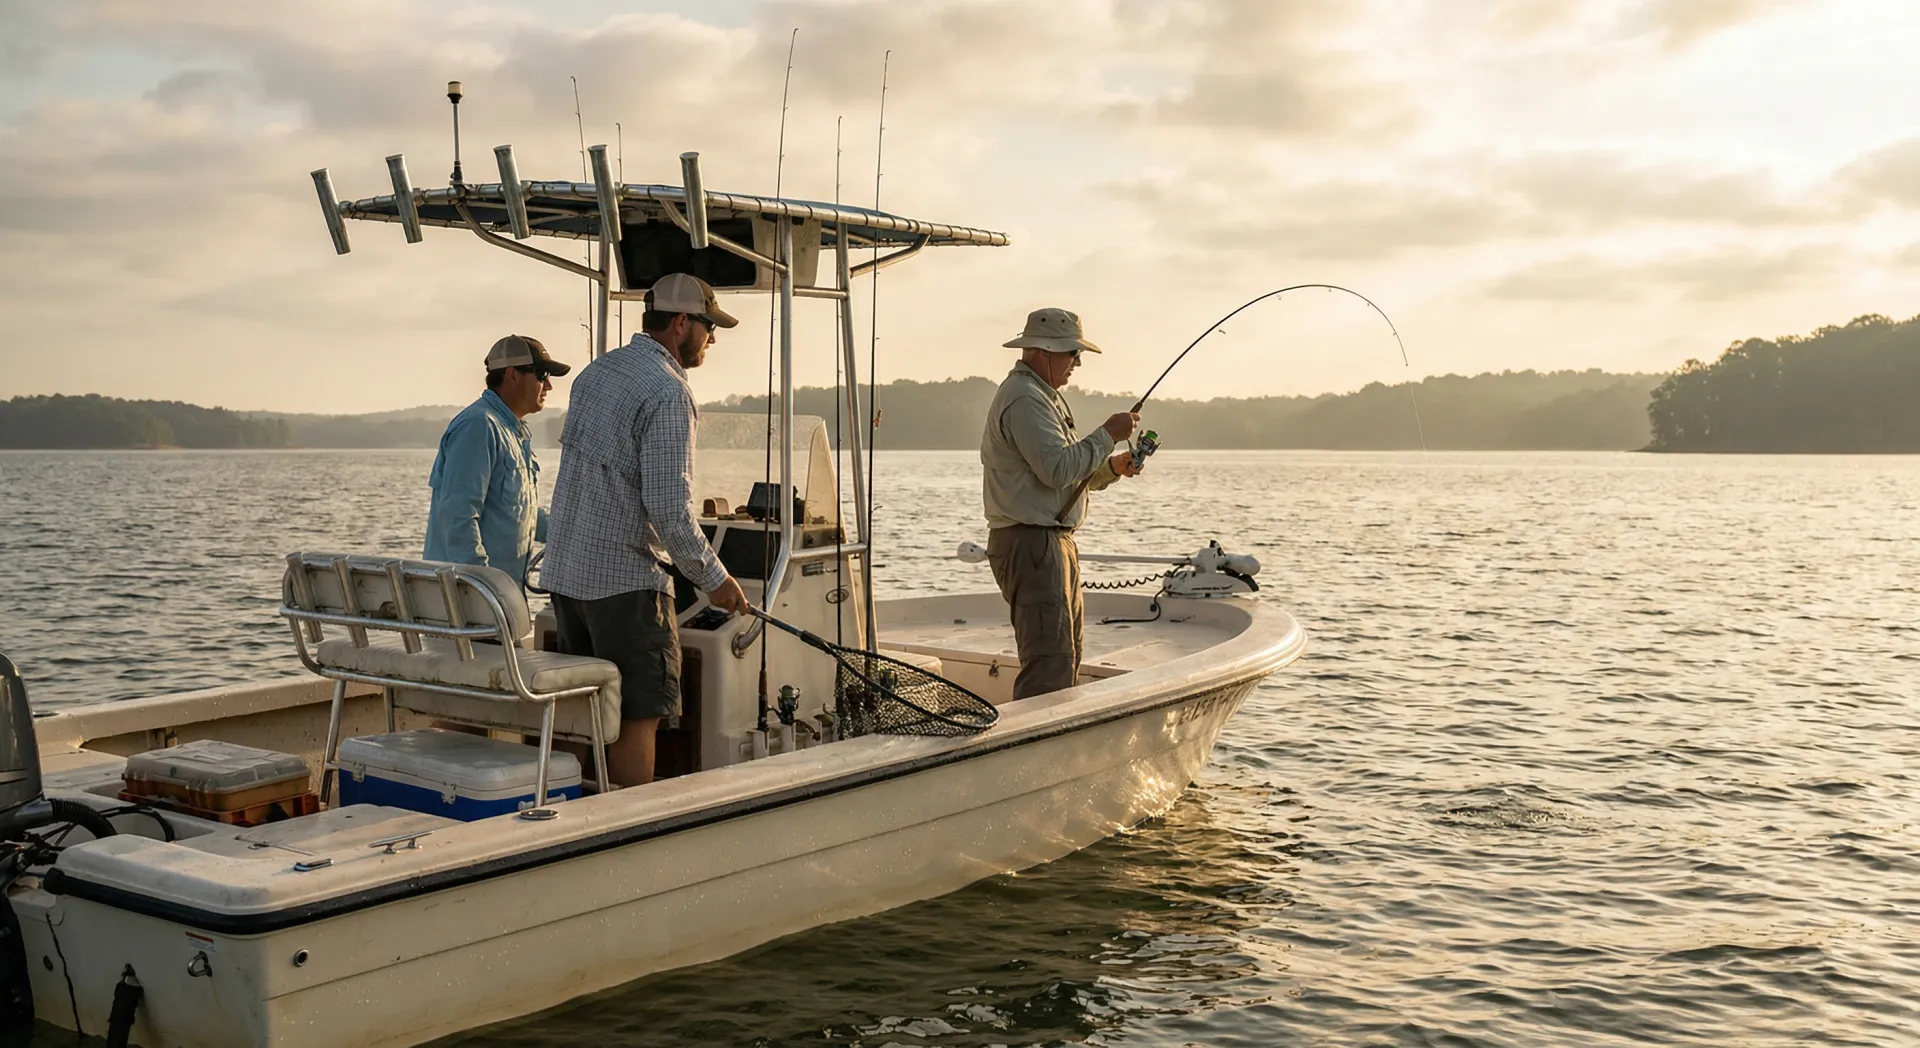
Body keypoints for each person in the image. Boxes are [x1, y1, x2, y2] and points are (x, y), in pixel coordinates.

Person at [541, 273, 752, 788]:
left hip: (566, 580)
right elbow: (670, 511)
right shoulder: (668, 391)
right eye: (708, 326)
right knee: (638, 719)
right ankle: (627, 842)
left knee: (583, 717)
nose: (713, 337)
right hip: (626, 587)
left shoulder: (596, 373)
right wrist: (716, 581)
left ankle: (567, 823)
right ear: (681, 324)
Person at [979, 307, 1142, 700]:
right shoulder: (1024, 399)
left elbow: (1058, 477)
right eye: (1072, 353)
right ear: (1043, 351)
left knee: (1064, 658)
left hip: (1049, 544)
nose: (1078, 362)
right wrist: (1107, 434)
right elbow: (1056, 469)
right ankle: (1029, 755)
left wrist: (1111, 468)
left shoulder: (1039, 395)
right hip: (1033, 545)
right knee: (1049, 667)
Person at [424, 334, 568, 587]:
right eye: (542, 375)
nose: (548, 386)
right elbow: (459, 514)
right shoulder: (479, 426)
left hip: (498, 596)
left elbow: (524, 514)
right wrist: (481, 585)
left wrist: (578, 533)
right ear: (512, 375)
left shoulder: (511, 431)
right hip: (472, 600)